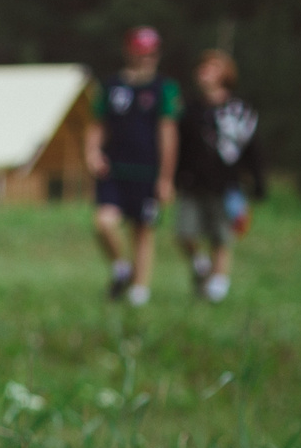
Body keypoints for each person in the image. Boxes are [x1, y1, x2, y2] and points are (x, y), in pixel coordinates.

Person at [88, 26, 181, 306]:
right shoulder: (111, 86)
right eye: (141, 52)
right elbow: (97, 125)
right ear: (129, 51)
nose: (146, 58)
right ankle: (122, 268)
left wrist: (166, 178)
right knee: (104, 223)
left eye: (151, 53)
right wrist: (92, 152)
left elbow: (168, 134)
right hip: (113, 170)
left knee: (142, 231)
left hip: (147, 172)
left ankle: (139, 291)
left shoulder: (164, 88)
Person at [176, 48, 263, 303]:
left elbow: (252, 149)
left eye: (212, 68)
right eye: (202, 67)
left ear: (225, 74)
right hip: (192, 182)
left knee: (221, 236)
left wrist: (258, 181)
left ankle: (218, 283)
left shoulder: (238, 110)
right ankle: (201, 264)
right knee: (184, 233)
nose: (205, 72)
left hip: (226, 185)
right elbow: (179, 146)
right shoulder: (189, 109)